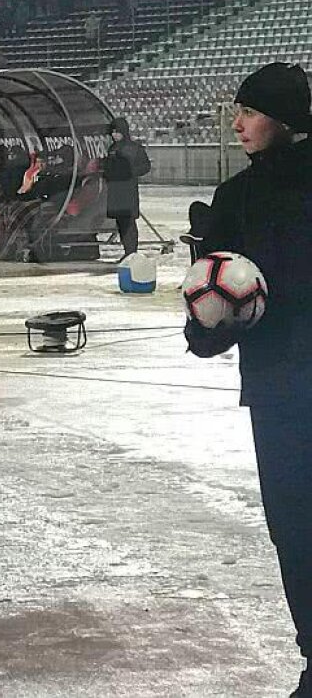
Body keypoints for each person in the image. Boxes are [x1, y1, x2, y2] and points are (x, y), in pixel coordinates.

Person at [183, 62, 312, 698]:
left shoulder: (242, 198)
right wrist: (206, 328)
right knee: (294, 529)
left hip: (286, 386)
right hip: (279, 389)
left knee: (298, 524)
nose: (237, 123)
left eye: (251, 111)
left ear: (286, 121)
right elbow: (206, 310)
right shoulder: (233, 199)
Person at [102, 117, 150, 259]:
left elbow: (145, 166)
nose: (114, 135)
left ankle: (131, 251)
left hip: (127, 191)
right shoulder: (112, 148)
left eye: (117, 132)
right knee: (121, 222)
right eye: (113, 132)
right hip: (115, 190)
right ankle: (127, 251)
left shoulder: (134, 148)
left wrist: (129, 172)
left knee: (128, 222)